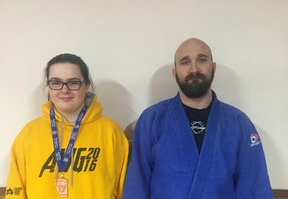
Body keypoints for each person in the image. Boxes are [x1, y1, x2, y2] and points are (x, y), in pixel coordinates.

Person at [123, 38, 273, 199]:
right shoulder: (151, 120)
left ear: (213, 68)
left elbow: (254, 188)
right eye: (185, 62)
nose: (194, 69)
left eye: (201, 60)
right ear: (174, 72)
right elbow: (136, 186)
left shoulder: (239, 123)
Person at [6, 53, 129, 199]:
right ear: (49, 87)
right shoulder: (28, 134)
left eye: (73, 82)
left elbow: (125, 190)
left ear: (86, 85)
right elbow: (15, 191)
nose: (65, 90)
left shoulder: (111, 131)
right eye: (56, 83)